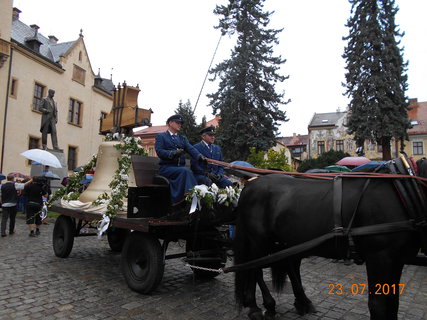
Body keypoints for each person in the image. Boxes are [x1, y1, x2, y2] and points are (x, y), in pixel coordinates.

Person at [154, 114, 206, 206]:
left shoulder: (182, 138)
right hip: (167, 168)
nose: (180, 125)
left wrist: (200, 156)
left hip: (179, 169)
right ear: (170, 123)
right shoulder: (161, 136)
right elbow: (159, 151)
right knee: (185, 171)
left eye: (181, 123)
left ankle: (199, 197)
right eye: (178, 122)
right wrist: (173, 153)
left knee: (189, 172)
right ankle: (189, 197)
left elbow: (191, 149)